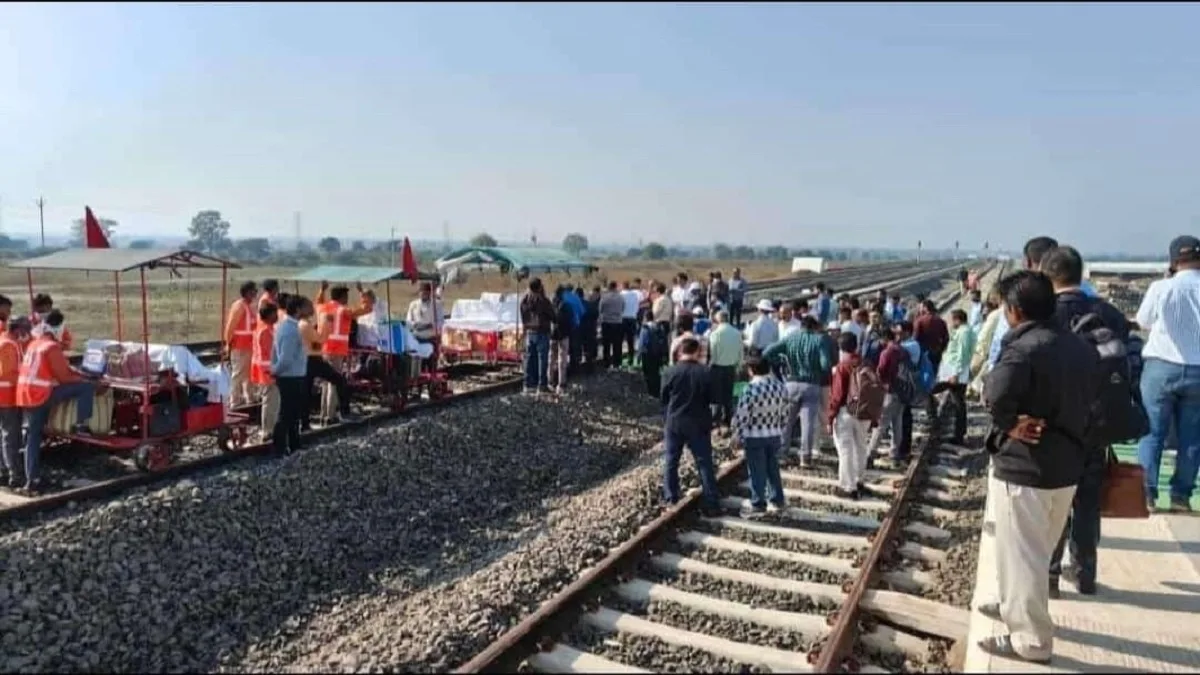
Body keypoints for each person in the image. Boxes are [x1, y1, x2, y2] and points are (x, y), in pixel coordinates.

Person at [976, 270, 1098, 664]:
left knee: (1024, 553)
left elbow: (996, 395)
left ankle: (1030, 641)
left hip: (1026, 468)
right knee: (1036, 549)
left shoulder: (1022, 348)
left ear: (1014, 310)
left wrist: (1011, 423)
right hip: (1067, 466)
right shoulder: (1080, 347)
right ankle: (1014, 604)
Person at [1040, 244, 1132, 595]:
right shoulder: (1109, 314)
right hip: (1097, 423)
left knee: (1054, 501)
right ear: (1080, 274)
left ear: (1047, 275)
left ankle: (1049, 574)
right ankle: (1085, 572)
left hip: (1055, 426)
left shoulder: (1044, 314)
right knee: (1088, 501)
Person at [1134, 235, 1200, 513]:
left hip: (1161, 365)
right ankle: (1181, 496)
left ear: (1173, 262)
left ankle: (1146, 494)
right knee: (1192, 436)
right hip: (1198, 370)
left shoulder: (1162, 287)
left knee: (1152, 432)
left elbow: (1143, 321)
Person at [17, 310, 97, 493]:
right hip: (39, 395)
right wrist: (86, 379)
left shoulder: (35, 344)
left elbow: (60, 369)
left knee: (32, 436)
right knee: (85, 388)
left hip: (24, 394)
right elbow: (64, 377)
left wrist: (76, 373)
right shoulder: (51, 347)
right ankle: (81, 424)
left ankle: (31, 478)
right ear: (58, 328)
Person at [660, 337, 721, 516]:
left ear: (681, 352)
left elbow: (663, 399)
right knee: (704, 463)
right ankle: (711, 502)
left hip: (674, 422)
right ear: (696, 352)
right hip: (699, 423)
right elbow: (714, 399)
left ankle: (670, 497)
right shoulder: (706, 373)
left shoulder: (669, 372)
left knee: (671, 461)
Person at [763, 314, 832, 467]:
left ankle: (782, 453)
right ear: (814, 327)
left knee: (786, 421)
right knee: (807, 423)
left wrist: (779, 362)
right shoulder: (819, 340)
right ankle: (805, 457)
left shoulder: (791, 339)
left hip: (791, 383)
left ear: (801, 326)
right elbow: (826, 365)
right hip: (812, 385)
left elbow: (767, 351)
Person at [731, 353, 789, 517]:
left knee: (757, 471)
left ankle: (758, 503)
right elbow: (785, 413)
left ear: (751, 371)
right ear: (768, 369)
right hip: (774, 434)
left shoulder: (750, 389)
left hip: (754, 435)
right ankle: (778, 500)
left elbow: (743, 416)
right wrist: (780, 427)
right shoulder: (779, 386)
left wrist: (737, 435)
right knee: (772, 468)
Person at [298, 297, 358, 427]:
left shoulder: (302, 324)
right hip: (312, 360)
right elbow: (320, 339)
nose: (312, 309)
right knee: (338, 380)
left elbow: (314, 343)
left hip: (308, 359)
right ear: (301, 309)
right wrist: (327, 324)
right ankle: (341, 412)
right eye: (308, 307)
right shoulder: (304, 325)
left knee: (308, 392)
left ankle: (309, 422)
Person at [827, 332, 872, 499]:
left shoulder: (842, 366)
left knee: (845, 450)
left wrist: (830, 416)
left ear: (840, 348)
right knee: (861, 447)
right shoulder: (866, 363)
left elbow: (837, 395)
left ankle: (848, 487)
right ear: (856, 346)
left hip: (846, 412)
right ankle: (859, 481)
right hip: (864, 412)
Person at [314, 283, 367, 422]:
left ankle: (323, 414)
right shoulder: (343, 310)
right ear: (342, 296)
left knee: (326, 382)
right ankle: (330, 416)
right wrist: (362, 292)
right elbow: (365, 309)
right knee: (334, 382)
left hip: (323, 348)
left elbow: (318, 301)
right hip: (336, 350)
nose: (347, 298)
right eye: (346, 296)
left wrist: (322, 289)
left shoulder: (322, 308)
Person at [870, 327, 914, 465]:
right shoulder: (903, 350)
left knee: (881, 424)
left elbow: (881, 371)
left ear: (884, 338)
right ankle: (895, 452)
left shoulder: (886, 352)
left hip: (890, 391)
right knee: (897, 422)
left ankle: (870, 453)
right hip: (902, 391)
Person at [271, 295, 308, 455]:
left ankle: (294, 445)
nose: (309, 310)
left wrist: (275, 368)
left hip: (291, 375)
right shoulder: (290, 330)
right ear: (298, 310)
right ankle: (279, 448)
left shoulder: (286, 327)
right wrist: (276, 370)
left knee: (292, 414)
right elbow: (285, 358)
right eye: (306, 307)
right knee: (287, 414)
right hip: (290, 377)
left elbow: (275, 352)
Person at [934, 308, 976, 445]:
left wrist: (955, 374)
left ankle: (958, 435)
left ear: (958, 319)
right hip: (954, 372)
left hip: (955, 374)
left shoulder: (964, 332)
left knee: (957, 403)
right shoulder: (964, 331)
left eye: (952, 320)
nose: (951, 323)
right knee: (958, 403)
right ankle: (959, 434)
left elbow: (962, 355)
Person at [0, 317, 30, 488]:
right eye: (25, 330)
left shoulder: (5, 341)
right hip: (6, 396)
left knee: (4, 434)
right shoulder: (8, 345)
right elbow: (8, 373)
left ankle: (4, 470)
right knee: (10, 435)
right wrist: (25, 378)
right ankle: (14, 473)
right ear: (18, 329)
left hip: (5, 394)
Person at [223, 281, 259, 408]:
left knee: (248, 373)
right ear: (248, 292)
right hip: (240, 346)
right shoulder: (239, 306)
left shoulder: (248, 307)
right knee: (238, 373)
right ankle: (234, 400)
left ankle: (249, 396)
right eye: (254, 291)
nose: (256, 293)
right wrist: (228, 343)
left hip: (248, 346)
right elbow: (230, 327)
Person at [707, 310, 742, 432]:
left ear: (718, 320)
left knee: (716, 396)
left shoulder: (715, 334)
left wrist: (710, 366)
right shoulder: (737, 333)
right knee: (728, 394)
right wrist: (738, 366)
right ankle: (728, 418)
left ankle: (715, 419)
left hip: (717, 367)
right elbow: (740, 352)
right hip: (731, 367)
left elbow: (713, 354)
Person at [519, 278, 555, 395]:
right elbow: (552, 316)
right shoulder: (543, 301)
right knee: (542, 359)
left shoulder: (524, 300)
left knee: (530, 358)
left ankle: (529, 385)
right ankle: (542, 385)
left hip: (530, 331)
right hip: (542, 332)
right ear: (540, 287)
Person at [250, 302, 280, 441]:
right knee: (270, 401)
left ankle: (271, 428)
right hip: (269, 371)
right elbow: (271, 353)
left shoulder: (265, 328)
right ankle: (268, 430)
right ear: (269, 315)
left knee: (272, 401)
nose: (277, 315)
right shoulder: (265, 331)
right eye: (275, 313)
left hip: (268, 370)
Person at [636, 307, 667, 396]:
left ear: (645, 317)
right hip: (658, 354)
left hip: (647, 354)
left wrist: (638, 356)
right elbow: (664, 342)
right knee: (656, 373)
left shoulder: (645, 328)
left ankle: (651, 392)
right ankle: (657, 391)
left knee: (648, 374)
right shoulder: (659, 327)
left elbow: (642, 343)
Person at [549, 286, 574, 394]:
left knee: (551, 359)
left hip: (552, 335)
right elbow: (571, 319)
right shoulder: (567, 305)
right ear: (563, 294)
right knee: (562, 360)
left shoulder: (550, 305)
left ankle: (549, 382)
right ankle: (561, 384)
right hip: (563, 335)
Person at [599, 281, 626, 369]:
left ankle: (606, 363)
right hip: (617, 322)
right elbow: (623, 308)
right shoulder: (621, 297)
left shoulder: (604, 297)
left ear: (609, 287)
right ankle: (617, 363)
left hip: (606, 322)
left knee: (606, 344)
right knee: (617, 344)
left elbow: (600, 309)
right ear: (615, 287)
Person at [620, 281, 642, 366]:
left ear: (623, 286)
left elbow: (620, 307)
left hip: (623, 318)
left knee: (620, 340)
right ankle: (631, 359)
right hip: (632, 318)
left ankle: (619, 358)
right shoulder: (634, 295)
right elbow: (637, 307)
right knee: (630, 340)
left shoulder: (621, 295)